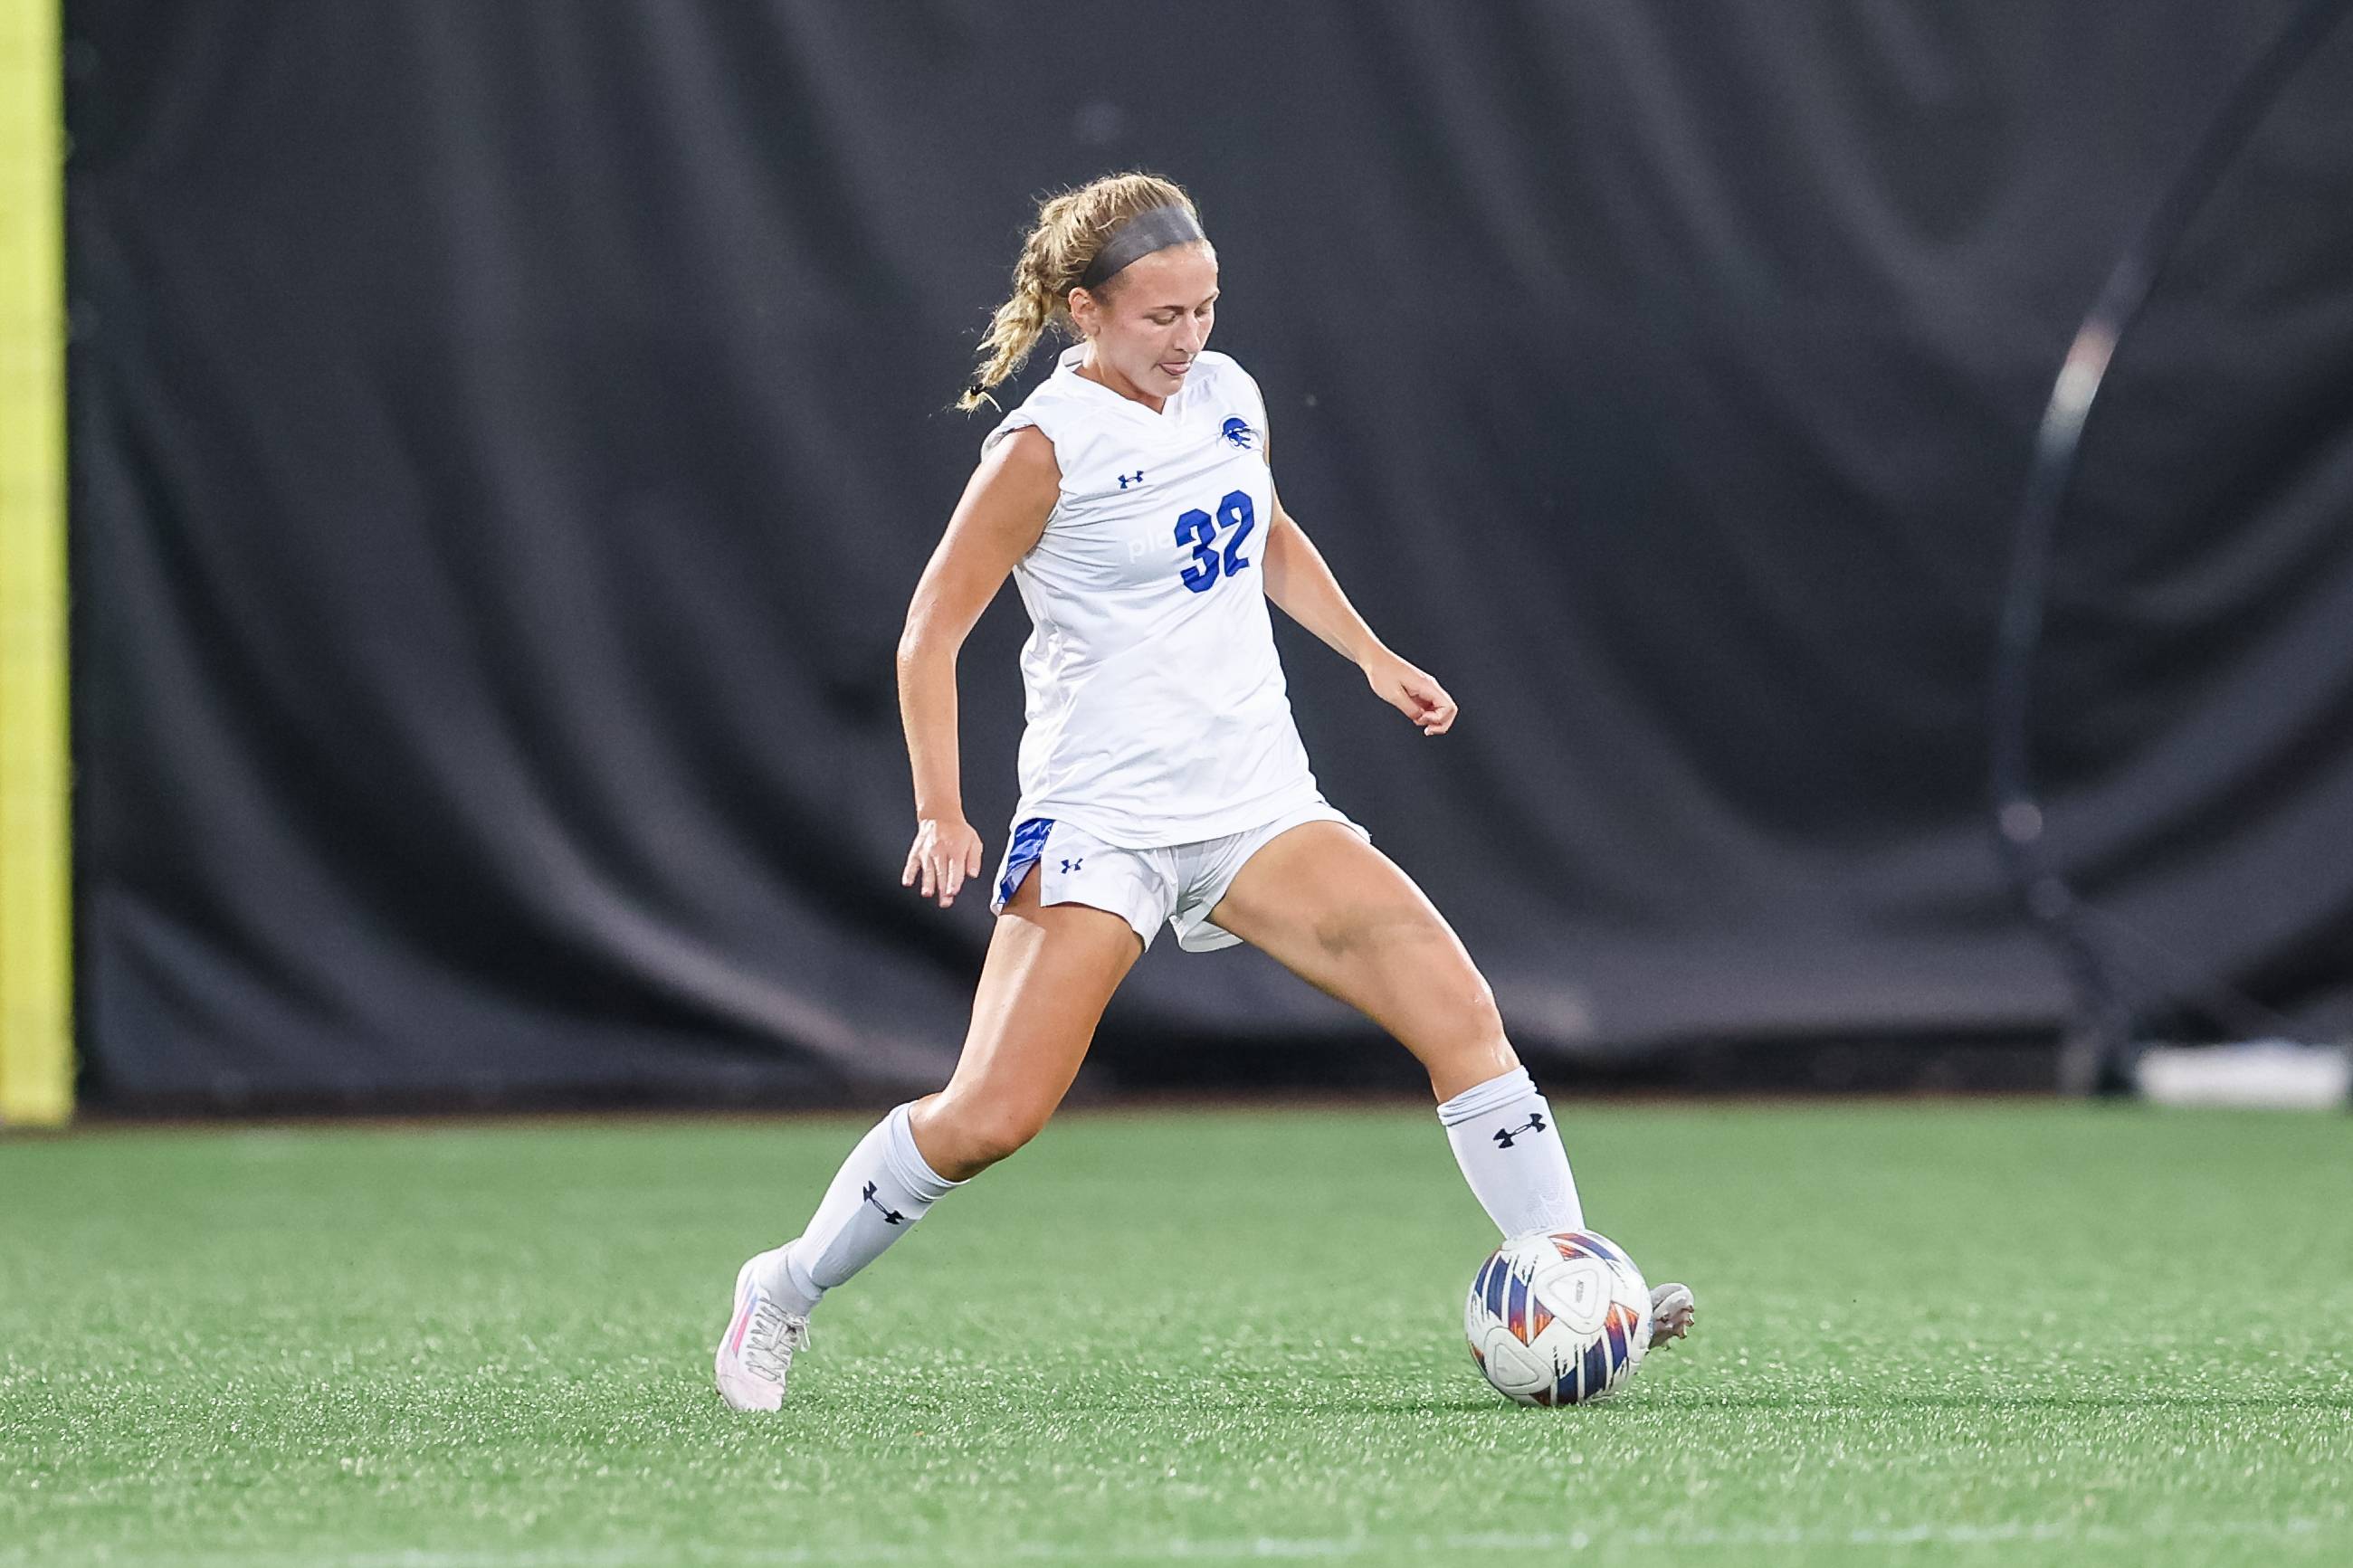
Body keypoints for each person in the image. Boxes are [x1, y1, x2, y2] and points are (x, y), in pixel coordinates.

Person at [716, 172, 1694, 1411]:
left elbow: (1263, 530)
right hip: (1104, 818)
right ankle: (784, 1287)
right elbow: (928, 634)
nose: (1191, 340)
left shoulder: (1225, 394)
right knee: (991, 1114)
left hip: (1253, 802)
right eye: (1161, 317)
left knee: (1461, 1013)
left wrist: (1372, 654)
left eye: (1206, 308)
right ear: (1085, 311)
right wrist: (941, 807)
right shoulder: (1042, 447)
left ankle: (1572, 1279)